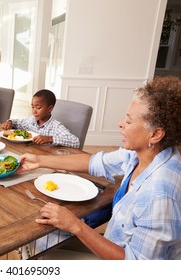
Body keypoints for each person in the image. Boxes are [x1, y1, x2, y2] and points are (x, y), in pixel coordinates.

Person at [18, 76, 181, 260]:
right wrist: (39, 160)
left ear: (156, 134)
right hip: (115, 242)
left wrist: (75, 225)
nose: (120, 124)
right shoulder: (142, 154)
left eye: (128, 121)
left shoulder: (159, 196)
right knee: (39, 237)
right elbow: (94, 162)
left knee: (37, 239)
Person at [1, 89, 80, 148]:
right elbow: (17, 122)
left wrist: (50, 139)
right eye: (32, 107)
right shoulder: (31, 121)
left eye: (38, 107)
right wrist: (10, 122)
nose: (34, 111)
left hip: (47, 160)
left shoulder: (56, 127)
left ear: (49, 108)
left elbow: (76, 142)